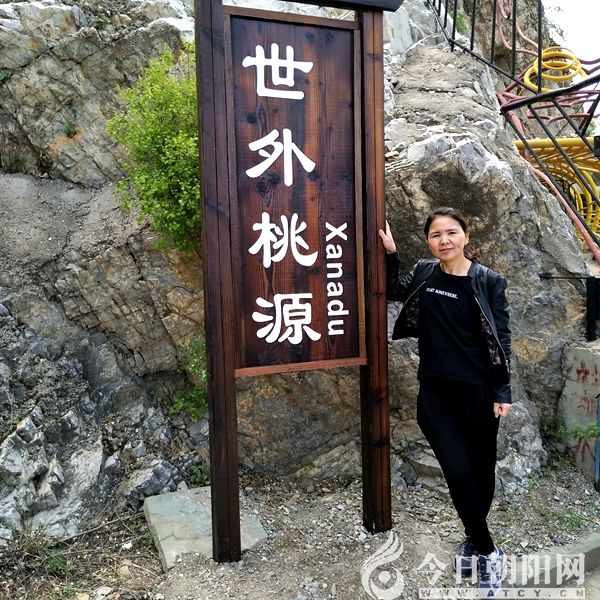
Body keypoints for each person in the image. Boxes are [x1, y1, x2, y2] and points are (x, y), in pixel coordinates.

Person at [378, 207, 512, 593]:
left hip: (478, 391)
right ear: (429, 241)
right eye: (436, 235)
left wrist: (502, 391)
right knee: (456, 470)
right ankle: (488, 551)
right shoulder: (425, 272)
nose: (444, 240)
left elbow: (501, 339)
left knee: (481, 471)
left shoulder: (488, 281)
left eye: (451, 233)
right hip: (435, 391)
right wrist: (391, 253)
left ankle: (473, 538)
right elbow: (392, 290)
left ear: (466, 236)